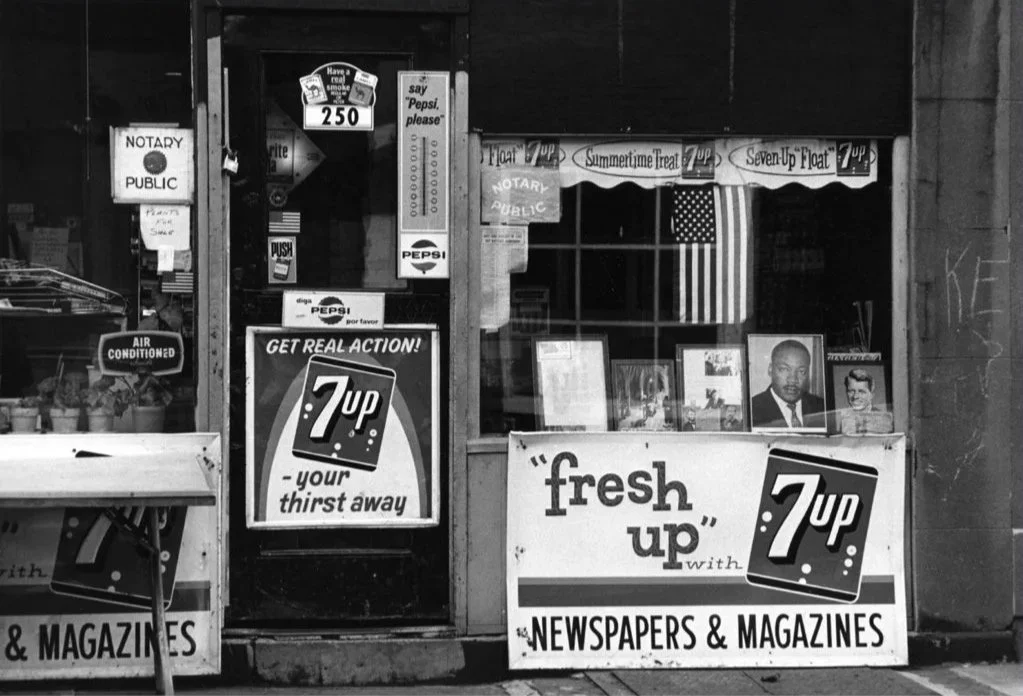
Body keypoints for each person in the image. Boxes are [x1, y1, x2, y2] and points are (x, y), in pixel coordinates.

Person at [750, 339, 826, 429]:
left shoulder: (822, 408)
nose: (793, 379)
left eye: (801, 371)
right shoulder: (752, 410)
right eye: (784, 369)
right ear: (770, 370)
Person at [839, 368, 894, 435]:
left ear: (872, 394)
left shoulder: (883, 419)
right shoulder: (844, 419)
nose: (855, 396)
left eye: (861, 392)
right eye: (851, 391)